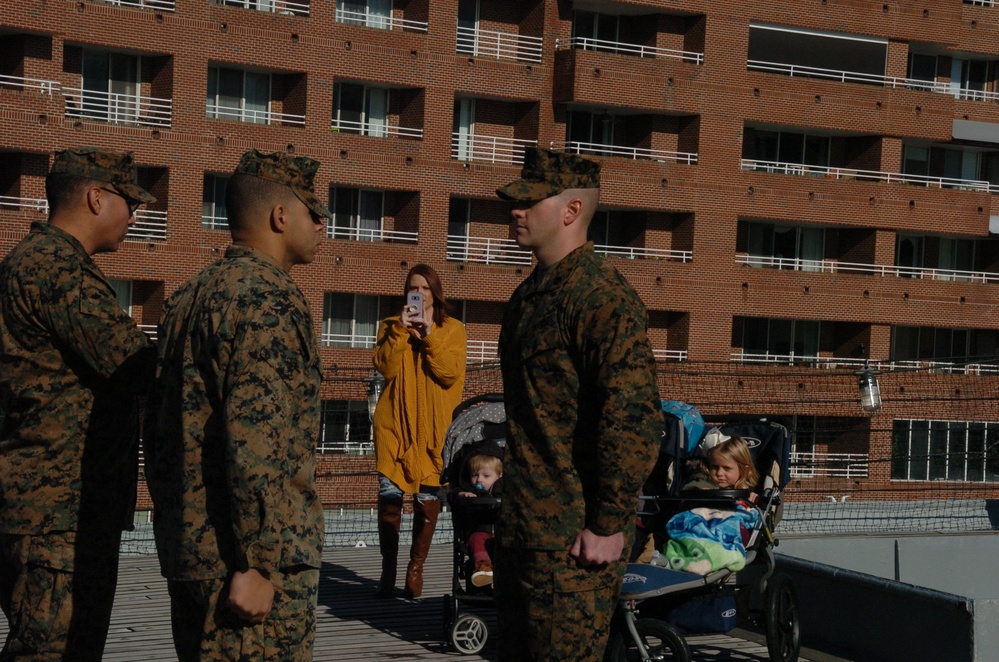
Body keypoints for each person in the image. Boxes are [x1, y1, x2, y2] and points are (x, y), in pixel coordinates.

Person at [145, 149, 328, 661]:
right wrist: (259, 563)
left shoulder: (188, 297)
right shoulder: (267, 301)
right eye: (312, 211)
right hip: (243, 571)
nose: (321, 223)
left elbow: (160, 435)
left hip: (194, 554)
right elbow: (256, 446)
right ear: (279, 216)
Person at [494, 147, 661, 661]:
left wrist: (609, 524)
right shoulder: (528, 297)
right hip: (522, 531)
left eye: (530, 202)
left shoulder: (601, 297)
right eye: (515, 202)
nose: (515, 211)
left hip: (574, 544)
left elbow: (632, 416)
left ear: (570, 211)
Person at [0, 147, 156, 659]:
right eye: (127, 201)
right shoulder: (57, 268)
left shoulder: (34, 261)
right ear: (95, 198)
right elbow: (134, 365)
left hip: (48, 505)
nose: (134, 215)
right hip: (58, 513)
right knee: (55, 650)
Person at [372, 264, 467, 599]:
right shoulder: (389, 326)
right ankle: (388, 568)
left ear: (435, 293)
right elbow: (384, 367)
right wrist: (400, 330)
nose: (420, 294)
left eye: (426, 289)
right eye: (414, 288)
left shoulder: (452, 329)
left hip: (433, 432)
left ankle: (415, 570)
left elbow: (448, 374)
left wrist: (428, 335)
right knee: (389, 497)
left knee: (427, 501)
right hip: (393, 427)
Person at [456, 453, 504, 587]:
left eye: (486, 476)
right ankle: (484, 568)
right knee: (477, 538)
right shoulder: (469, 491)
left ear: (499, 476)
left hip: (502, 536)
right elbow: (452, 495)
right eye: (475, 475)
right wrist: (460, 495)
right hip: (478, 535)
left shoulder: (503, 491)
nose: (479, 480)